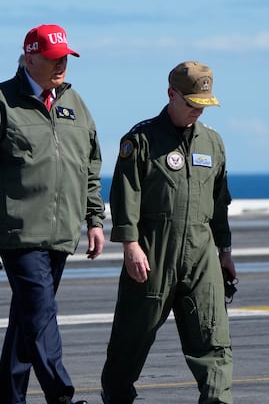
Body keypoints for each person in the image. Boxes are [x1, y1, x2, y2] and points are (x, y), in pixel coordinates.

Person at [0, 24, 105, 404]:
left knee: (26, 321)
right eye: (53, 58)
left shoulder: (75, 103)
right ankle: (63, 397)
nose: (61, 65)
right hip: (18, 230)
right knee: (41, 317)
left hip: (62, 230)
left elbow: (90, 165)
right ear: (29, 58)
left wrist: (94, 219)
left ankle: (7, 400)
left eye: (65, 58)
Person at [100, 61, 236, 404]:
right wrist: (131, 245)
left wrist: (225, 251)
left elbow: (219, 203)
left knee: (213, 337)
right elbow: (125, 194)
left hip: (202, 252)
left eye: (202, 106)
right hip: (153, 251)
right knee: (132, 337)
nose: (196, 112)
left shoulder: (213, 143)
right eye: (191, 104)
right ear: (171, 94)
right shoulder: (141, 139)